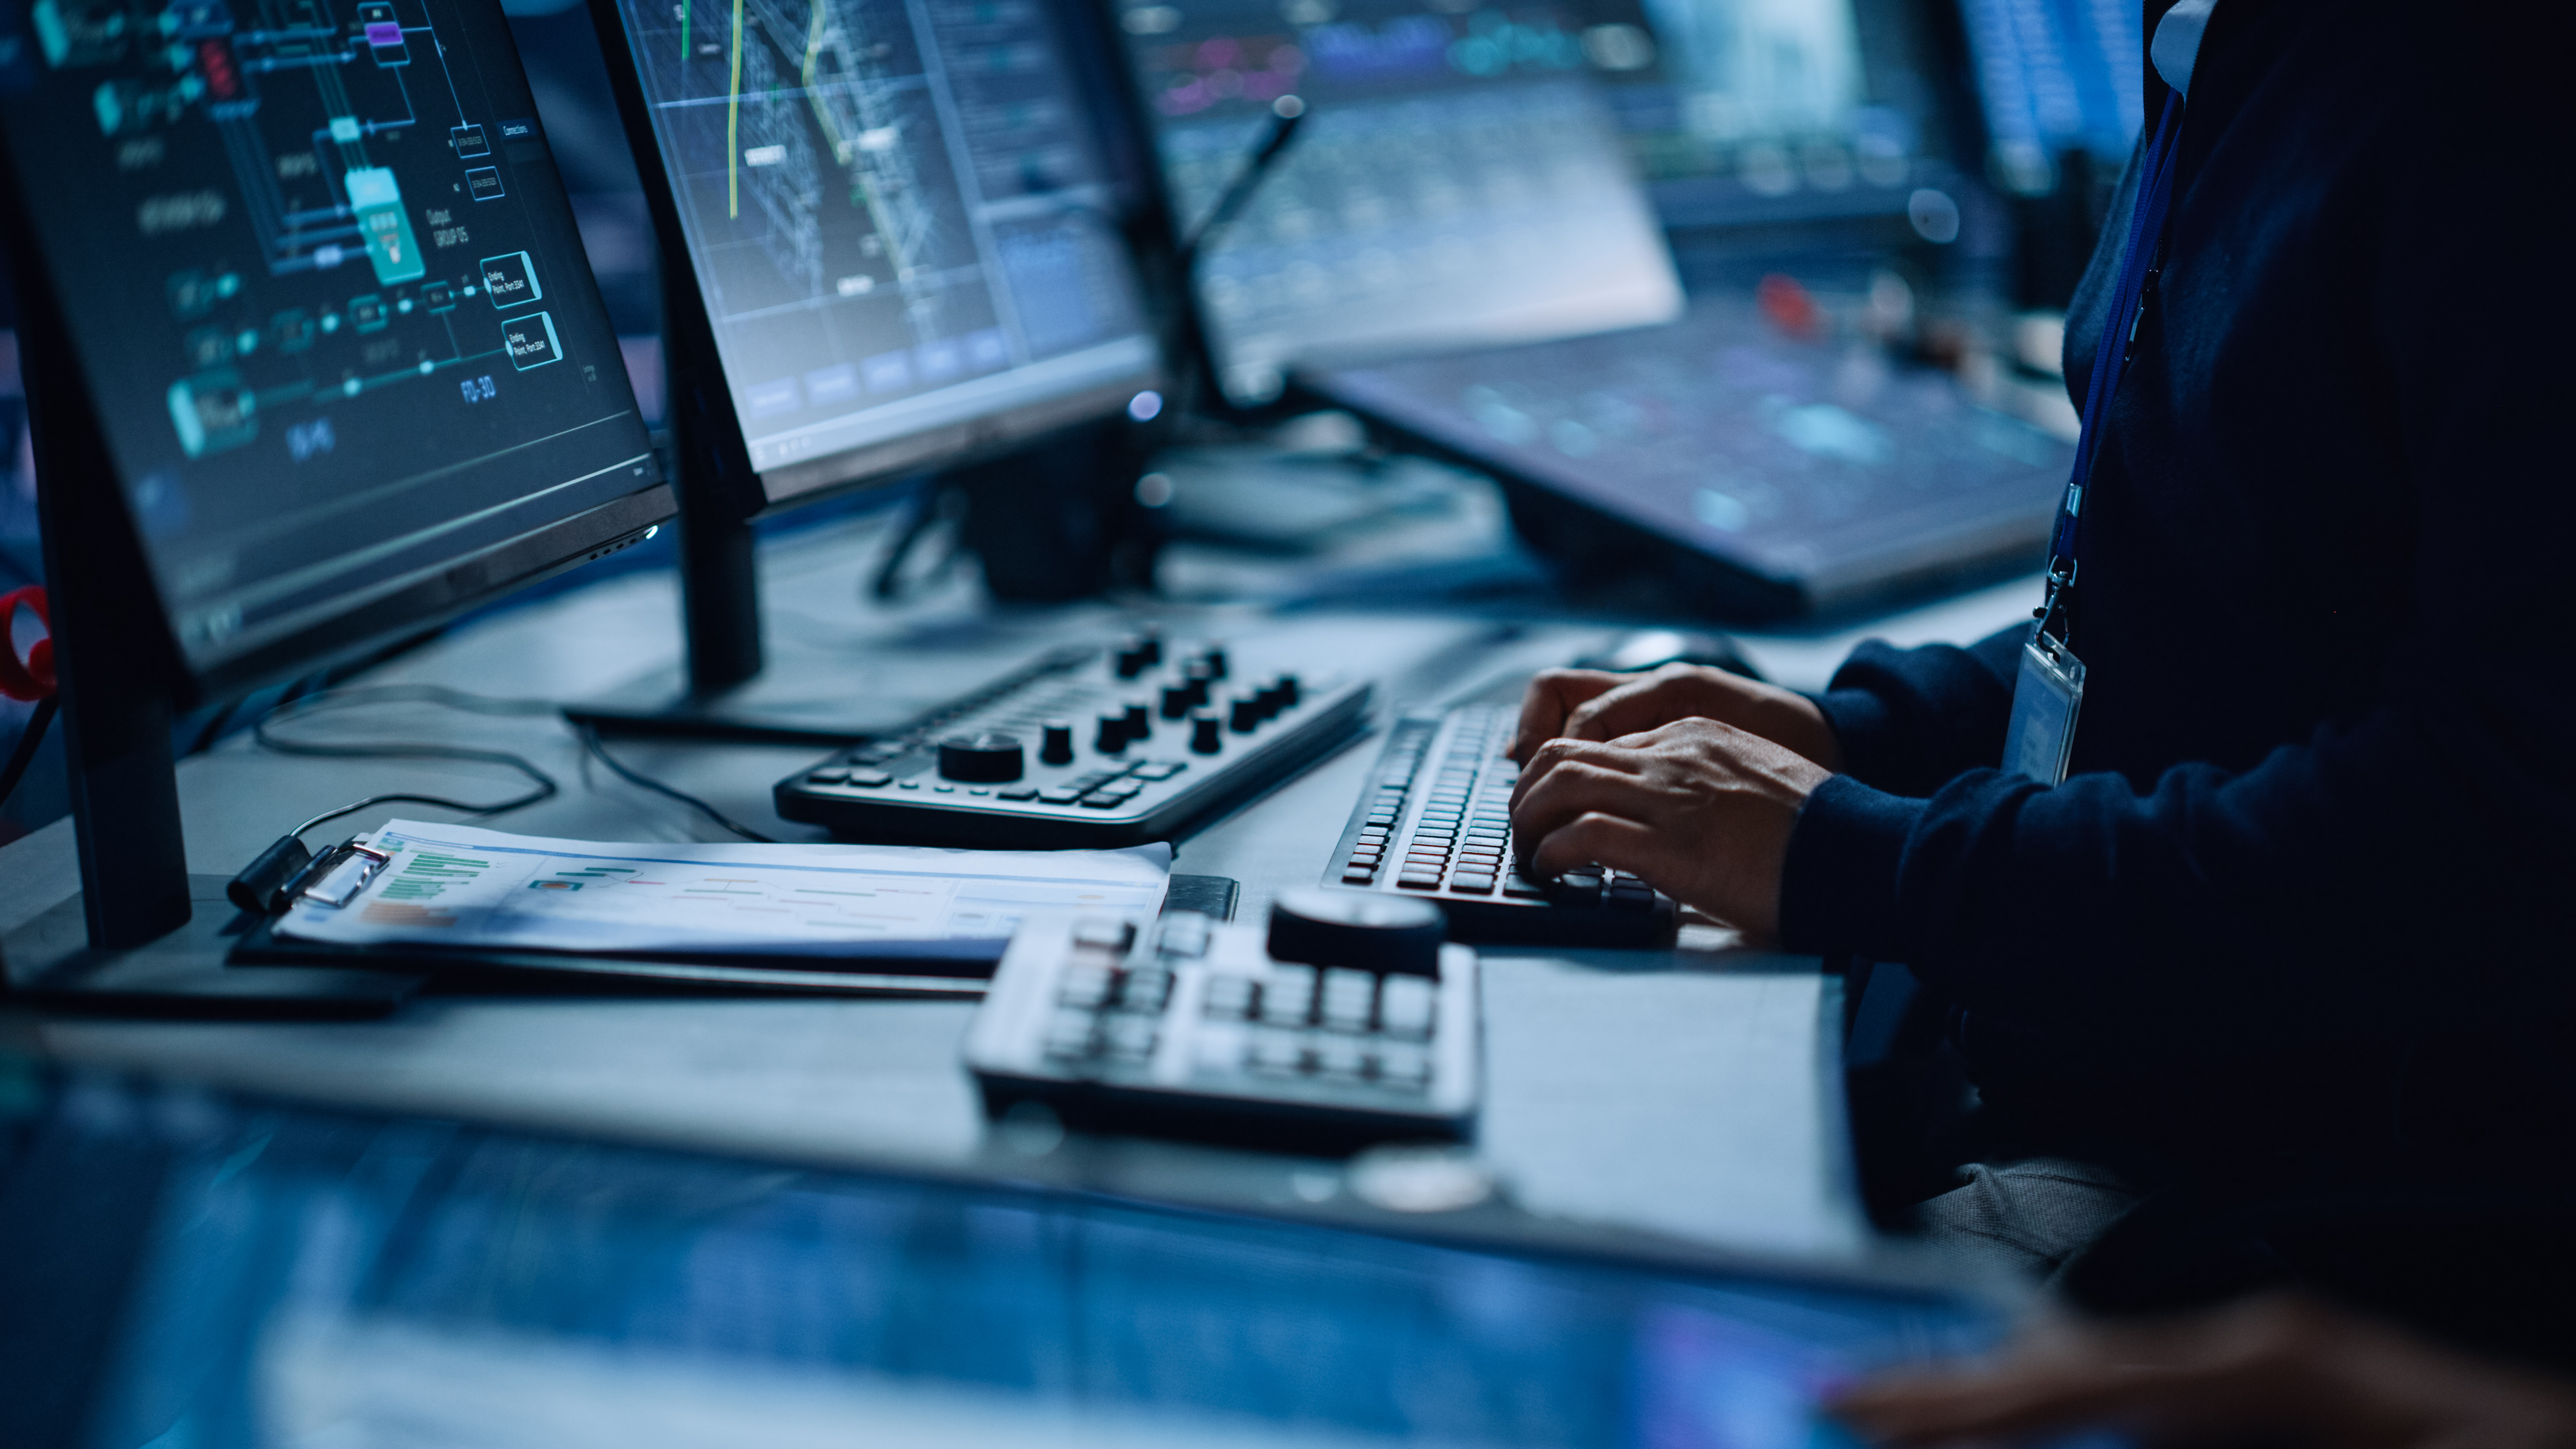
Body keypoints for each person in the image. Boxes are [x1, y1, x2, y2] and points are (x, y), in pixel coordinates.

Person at [1507, 0, 2576, 1276]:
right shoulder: (2237, 42)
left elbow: (2479, 840)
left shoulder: (2500, 90)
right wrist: (1864, 737)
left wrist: (1860, 857)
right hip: (2170, 1095)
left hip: (2360, 1196)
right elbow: (2233, 608)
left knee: (1574, 1274)